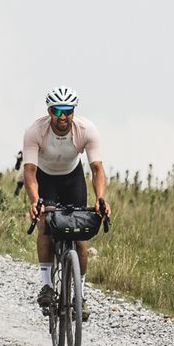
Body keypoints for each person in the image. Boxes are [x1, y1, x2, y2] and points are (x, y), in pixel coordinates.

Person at [22, 85, 111, 320]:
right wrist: (35, 201)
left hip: (73, 179)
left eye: (68, 111)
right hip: (46, 178)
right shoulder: (35, 131)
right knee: (45, 224)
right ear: (50, 111)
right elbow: (29, 171)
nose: (63, 117)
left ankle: (79, 294)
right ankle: (47, 284)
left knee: (79, 236)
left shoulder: (86, 130)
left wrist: (101, 198)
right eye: (58, 111)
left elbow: (96, 168)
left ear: (74, 111)